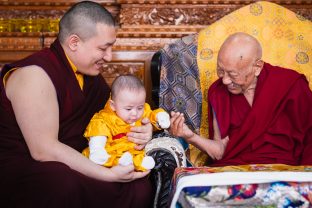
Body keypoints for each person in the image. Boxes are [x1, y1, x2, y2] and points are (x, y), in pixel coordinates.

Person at [0, 1, 155, 207]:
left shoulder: (89, 76)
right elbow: (43, 150)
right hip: (27, 169)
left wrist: (144, 130)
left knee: (138, 185)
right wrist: (107, 175)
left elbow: (111, 119)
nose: (109, 57)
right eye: (103, 48)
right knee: (61, 182)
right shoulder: (34, 75)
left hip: (73, 161)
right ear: (74, 42)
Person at [169, 32, 312, 166]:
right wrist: (189, 136)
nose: (224, 80)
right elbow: (219, 152)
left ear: (257, 67)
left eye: (233, 74)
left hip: (285, 171)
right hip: (236, 171)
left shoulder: (291, 85)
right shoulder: (218, 92)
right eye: (220, 71)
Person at [83, 74, 170, 171]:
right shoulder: (105, 118)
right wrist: (97, 149)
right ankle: (104, 158)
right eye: (128, 109)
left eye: (140, 107)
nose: (135, 113)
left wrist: (160, 116)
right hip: (111, 151)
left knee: (139, 157)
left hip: (133, 151)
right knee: (105, 154)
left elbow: (151, 115)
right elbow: (97, 131)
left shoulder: (143, 111)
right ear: (113, 105)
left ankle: (139, 163)